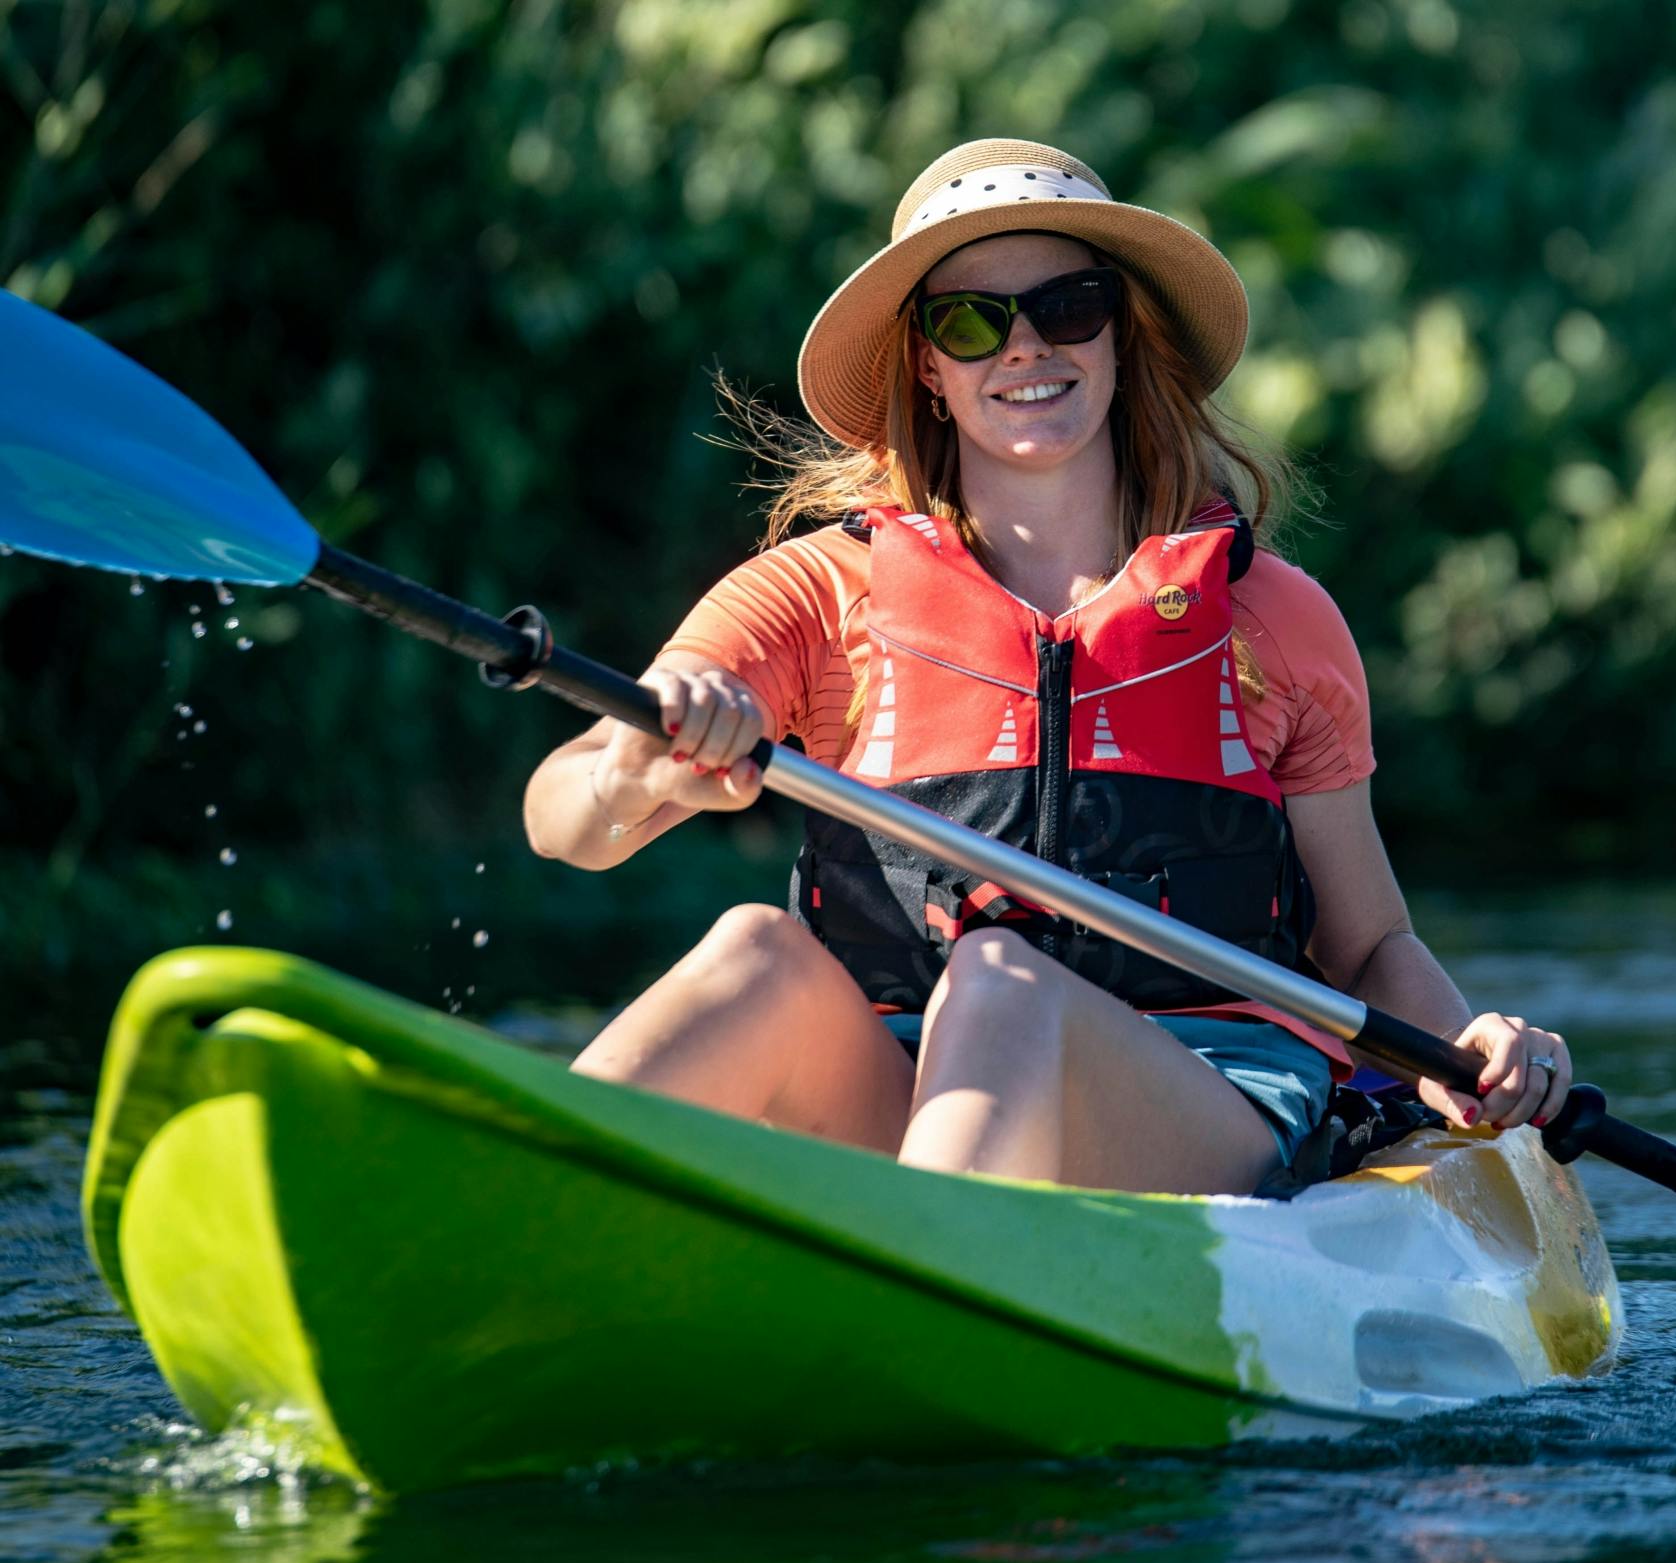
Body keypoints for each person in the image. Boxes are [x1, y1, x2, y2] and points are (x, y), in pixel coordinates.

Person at [523, 138, 1573, 1197]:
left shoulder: (1272, 617)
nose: (1023, 347)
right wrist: (640, 771)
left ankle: (925, 1299)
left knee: (998, 980)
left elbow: (1366, 945)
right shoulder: (816, 592)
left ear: (1121, 334)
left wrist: (1472, 1044)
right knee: (756, 944)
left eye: (1068, 305)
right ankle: (517, 1211)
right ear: (926, 365)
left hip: (1206, 1105)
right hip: (904, 1096)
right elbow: (562, 821)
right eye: (970, 321)